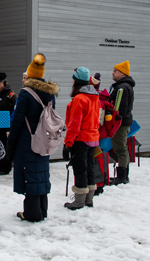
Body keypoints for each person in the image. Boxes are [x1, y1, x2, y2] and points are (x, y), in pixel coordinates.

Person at [7, 54, 58, 222]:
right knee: (41, 173)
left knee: (30, 174)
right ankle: (42, 210)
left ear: (30, 74)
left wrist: (11, 142)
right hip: (44, 138)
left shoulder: (25, 93)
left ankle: (32, 213)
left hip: (27, 140)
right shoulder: (49, 93)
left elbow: (17, 119)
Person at [62, 67, 103, 209]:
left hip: (81, 139)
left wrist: (68, 143)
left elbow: (74, 124)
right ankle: (88, 199)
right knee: (90, 168)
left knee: (80, 169)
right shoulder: (95, 97)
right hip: (93, 138)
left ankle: (79, 201)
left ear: (76, 81)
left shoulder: (79, 99)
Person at [109, 60, 135, 185]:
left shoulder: (122, 88)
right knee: (121, 147)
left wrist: (117, 118)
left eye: (115, 71)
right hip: (123, 122)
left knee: (121, 148)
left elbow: (121, 108)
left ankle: (122, 177)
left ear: (123, 73)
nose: (113, 73)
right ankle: (123, 175)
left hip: (120, 123)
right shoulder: (123, 86)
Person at [0, 72, 16, 175]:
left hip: (5, 127)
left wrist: (10, 128)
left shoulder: (10, 95)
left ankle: (5, 167)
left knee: (4, 146)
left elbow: (14, 111)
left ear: (4, 82)